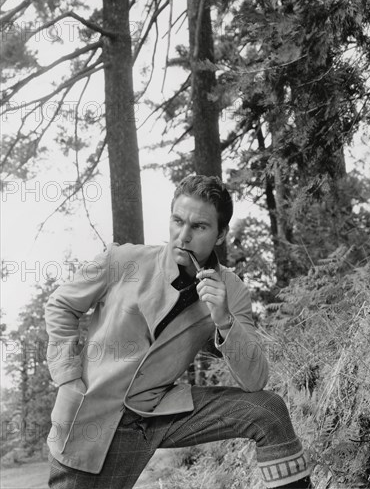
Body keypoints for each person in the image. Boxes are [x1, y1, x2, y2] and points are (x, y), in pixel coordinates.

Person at [45, 175, 312, 488]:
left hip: (159, 412)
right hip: (91, 415)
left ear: (221, 234)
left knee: (268, 410)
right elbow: (61, 305)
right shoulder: (121, 260)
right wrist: (68, 377)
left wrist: (224, 319)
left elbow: (254, 379)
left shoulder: (232, 290)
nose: (183, 236)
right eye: (177, 221)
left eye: (199, 226)